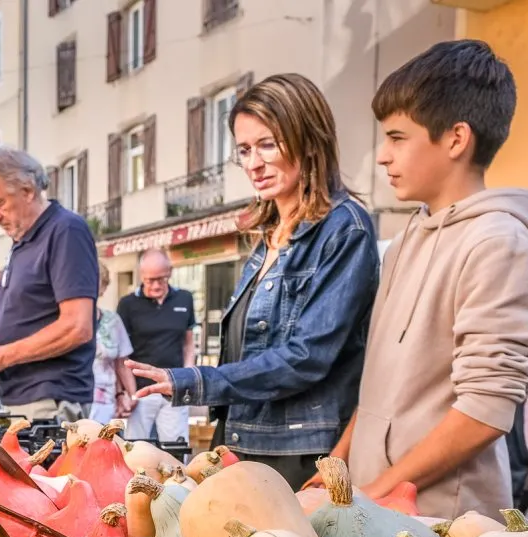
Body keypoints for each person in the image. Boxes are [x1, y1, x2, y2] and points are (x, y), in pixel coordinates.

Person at [315, 40, 528, 517]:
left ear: (455, 138)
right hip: (371, 509)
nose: (383, 156)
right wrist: (338, 467)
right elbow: (378, 392)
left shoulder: (500, 243)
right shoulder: (408, 236)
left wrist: (374, 493)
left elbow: (484, 413)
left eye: (397, 138)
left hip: (443, 525)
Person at [129, 74, 379, 489]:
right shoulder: (269, 235)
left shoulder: (344, 229)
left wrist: (197, 380)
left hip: (299, 453)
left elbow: (306, 357)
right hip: (245, 440)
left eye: (268, 144)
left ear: (309, 139)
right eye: (245, 150)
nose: (253, 163)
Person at [0, 145, 98, 422]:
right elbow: (33, 316)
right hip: (20, 396)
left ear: (28, 190)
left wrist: (1, 355)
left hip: (49, 398)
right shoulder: (22, 241)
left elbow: (77, 326)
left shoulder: (65, 230)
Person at [119, 249, 197, 443]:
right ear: (141, 276)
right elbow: (122, 355)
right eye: (149, 280)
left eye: (160, 279)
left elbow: (188, 343)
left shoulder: (185, 298)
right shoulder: (128, 304)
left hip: (174, 387)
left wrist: (187, 376)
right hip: (141, 389)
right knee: (135, 449)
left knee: (176, 448)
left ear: (169, 272)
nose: (155, 285)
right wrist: (128, 392)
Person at [90, 263, 136, 425]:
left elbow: (121, 364)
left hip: (105, 402)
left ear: (103, 288)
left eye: (96, 283)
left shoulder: (112, 321)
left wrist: (130, 396)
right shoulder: (65, 321)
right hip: (73, 400)